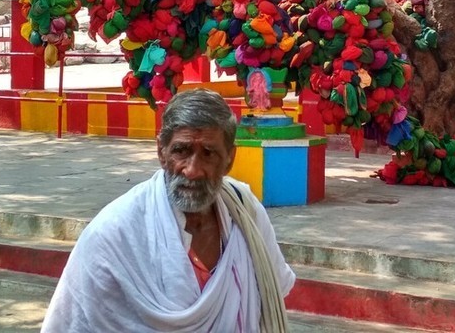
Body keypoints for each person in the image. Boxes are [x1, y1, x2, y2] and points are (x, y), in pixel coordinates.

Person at [41, 88, 296, 332]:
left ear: (230, 159)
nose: (192, 170)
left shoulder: (245, 211)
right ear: (161, 152)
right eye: (181, 151)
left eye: (208, 154)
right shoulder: (113, 232)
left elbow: (272, 294)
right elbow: (72, 322)